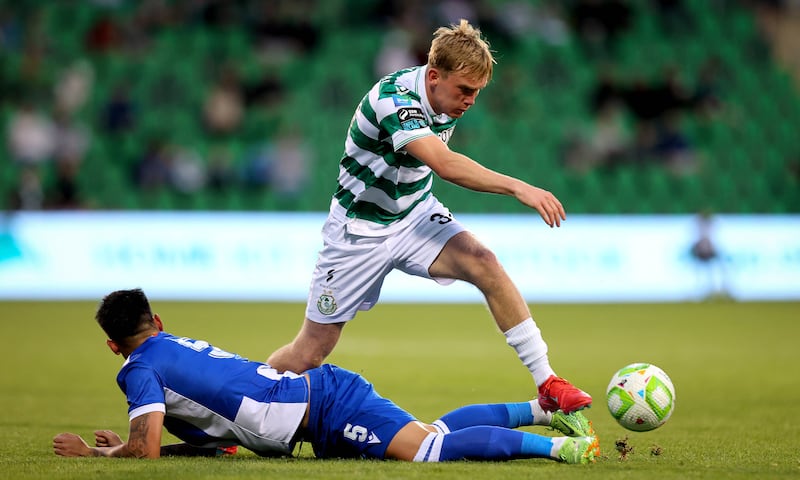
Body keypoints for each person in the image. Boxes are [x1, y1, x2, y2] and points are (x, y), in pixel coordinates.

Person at [266, 19, 592, 414]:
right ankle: (239, 405)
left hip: (415, 215)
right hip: (359, 231)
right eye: (465, 91)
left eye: (477, 92)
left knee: (483, 261)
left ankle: (547, 382)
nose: (470, 101)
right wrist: (519, 187)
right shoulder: (394, 99)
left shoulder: (445, 94)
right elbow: (445, 164)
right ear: (434, 76)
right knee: (309, 353)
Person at [52, 289, 599, 464]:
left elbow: (144, 451)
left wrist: (101, 455)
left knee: (430, 451)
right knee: (432, 434)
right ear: (159, 322)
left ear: (112, 346)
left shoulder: (140, 370)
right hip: (313, 413)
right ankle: (542, 410)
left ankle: (558, 450)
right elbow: (214, 447)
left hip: (327, 402)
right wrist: (129, 446)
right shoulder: (171, 348)